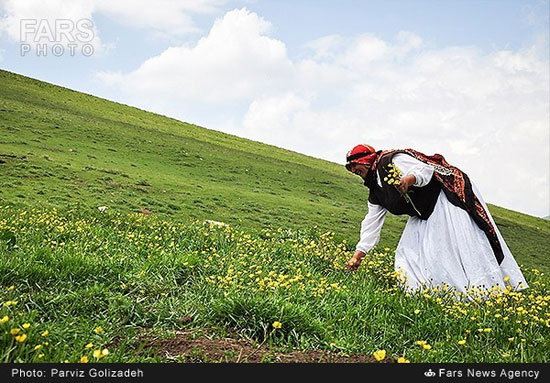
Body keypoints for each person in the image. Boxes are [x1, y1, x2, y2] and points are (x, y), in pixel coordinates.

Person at [344, 144, 528, 296]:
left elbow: (423, 168)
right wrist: (357, 256)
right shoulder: (375, 190)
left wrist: (408, 180)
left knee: (446, 250)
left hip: (442, 203)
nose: (353, 171)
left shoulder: (390, 160)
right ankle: (420, 293)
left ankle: (479, 292)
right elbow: (371, 223)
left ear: (366, 161)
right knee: (407, 253)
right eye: (350, 168)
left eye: (355, 166)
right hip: (423, 214)